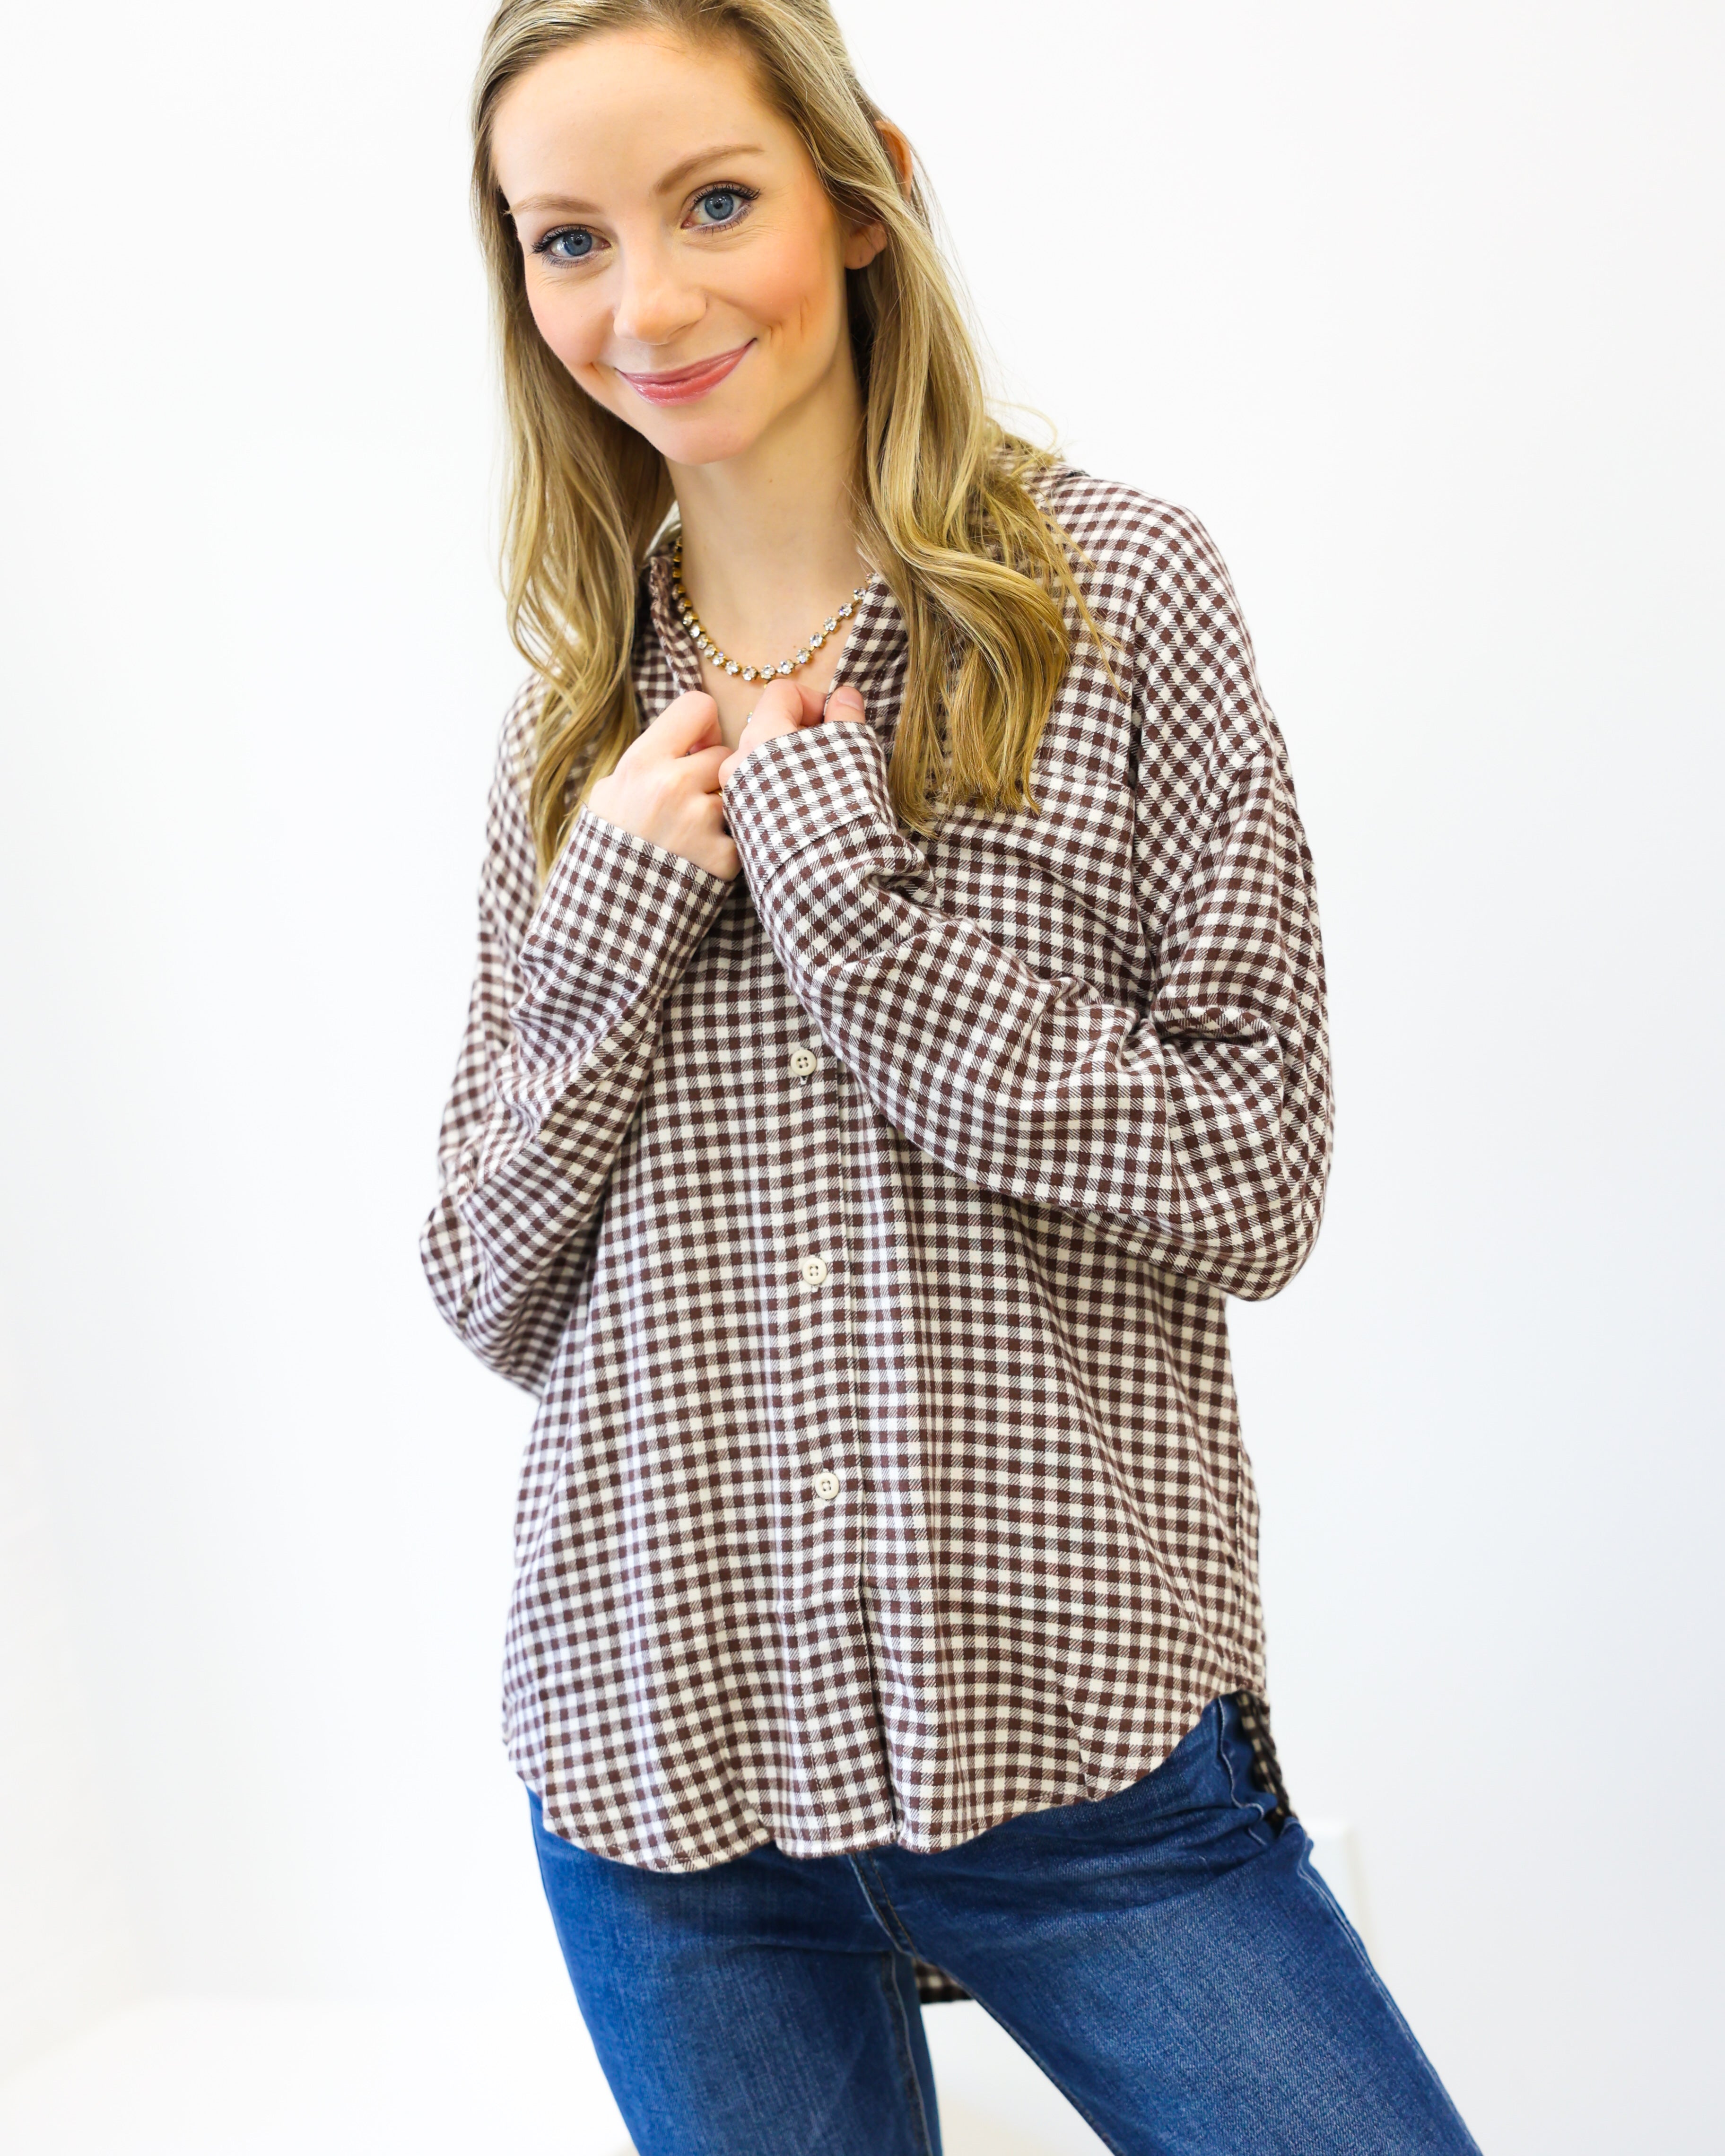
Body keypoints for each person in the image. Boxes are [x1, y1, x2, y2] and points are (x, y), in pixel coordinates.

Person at [420, 3, 1481, 2149]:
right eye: (567, 240)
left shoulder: (1121, 601)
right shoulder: (566, 737)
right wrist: (619, 914)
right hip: (658, 1767)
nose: (648, 300)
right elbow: (488, 1281)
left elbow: (1258, 1178)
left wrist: (856, 911)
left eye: (714, 200)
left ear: (860, 183)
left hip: (1082, 1753)